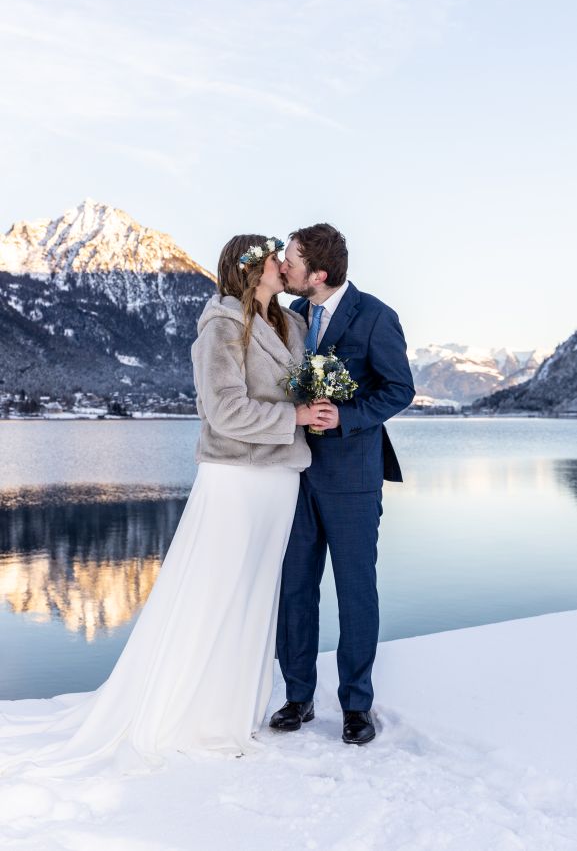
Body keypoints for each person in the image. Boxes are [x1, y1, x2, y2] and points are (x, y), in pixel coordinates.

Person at [0, 233, 327, 774]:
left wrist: (315, 403)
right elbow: (223, 412)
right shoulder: (221, 326)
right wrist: (292, 419)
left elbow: (294, 387)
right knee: (216, 590)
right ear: (250, 270)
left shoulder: (290, 324)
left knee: (255, 592)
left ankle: (236, 707)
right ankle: (193, 714)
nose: (280, 262)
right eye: (272, 257)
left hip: (281, 479)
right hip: (235, 478)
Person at [270, 223, 415, 745]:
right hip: (294, 473)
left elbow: (401, 389)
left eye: (290, 260)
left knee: (355, 592)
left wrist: (346, 416)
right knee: (294, 587)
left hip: (353, 478)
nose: (282, 266)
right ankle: (298, 696)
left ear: (319, 273)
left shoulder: (376, 317)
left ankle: (357, 705)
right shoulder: (291, 316)